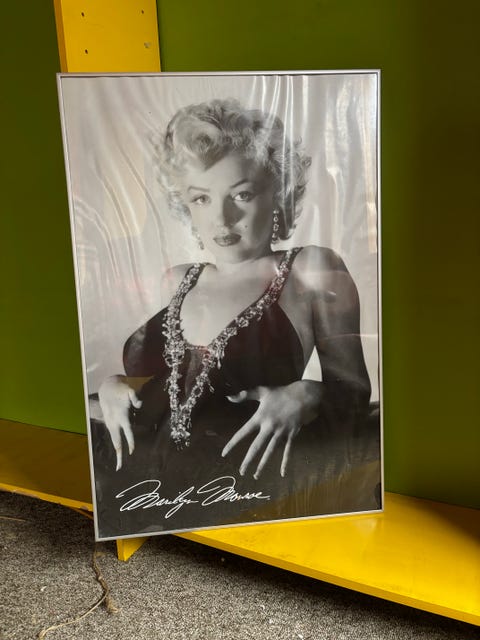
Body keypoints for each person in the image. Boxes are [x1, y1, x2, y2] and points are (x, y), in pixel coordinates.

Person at [93, 98, 380, 538]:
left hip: (245, 480)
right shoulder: (176, 279)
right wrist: (114, 386)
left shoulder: (311, 268)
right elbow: (174, 387)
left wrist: (309, 392)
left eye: (241, 195)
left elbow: (354, 394)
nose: (221, 218)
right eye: (201, 198)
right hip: (147, 471)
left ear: (278, 193)